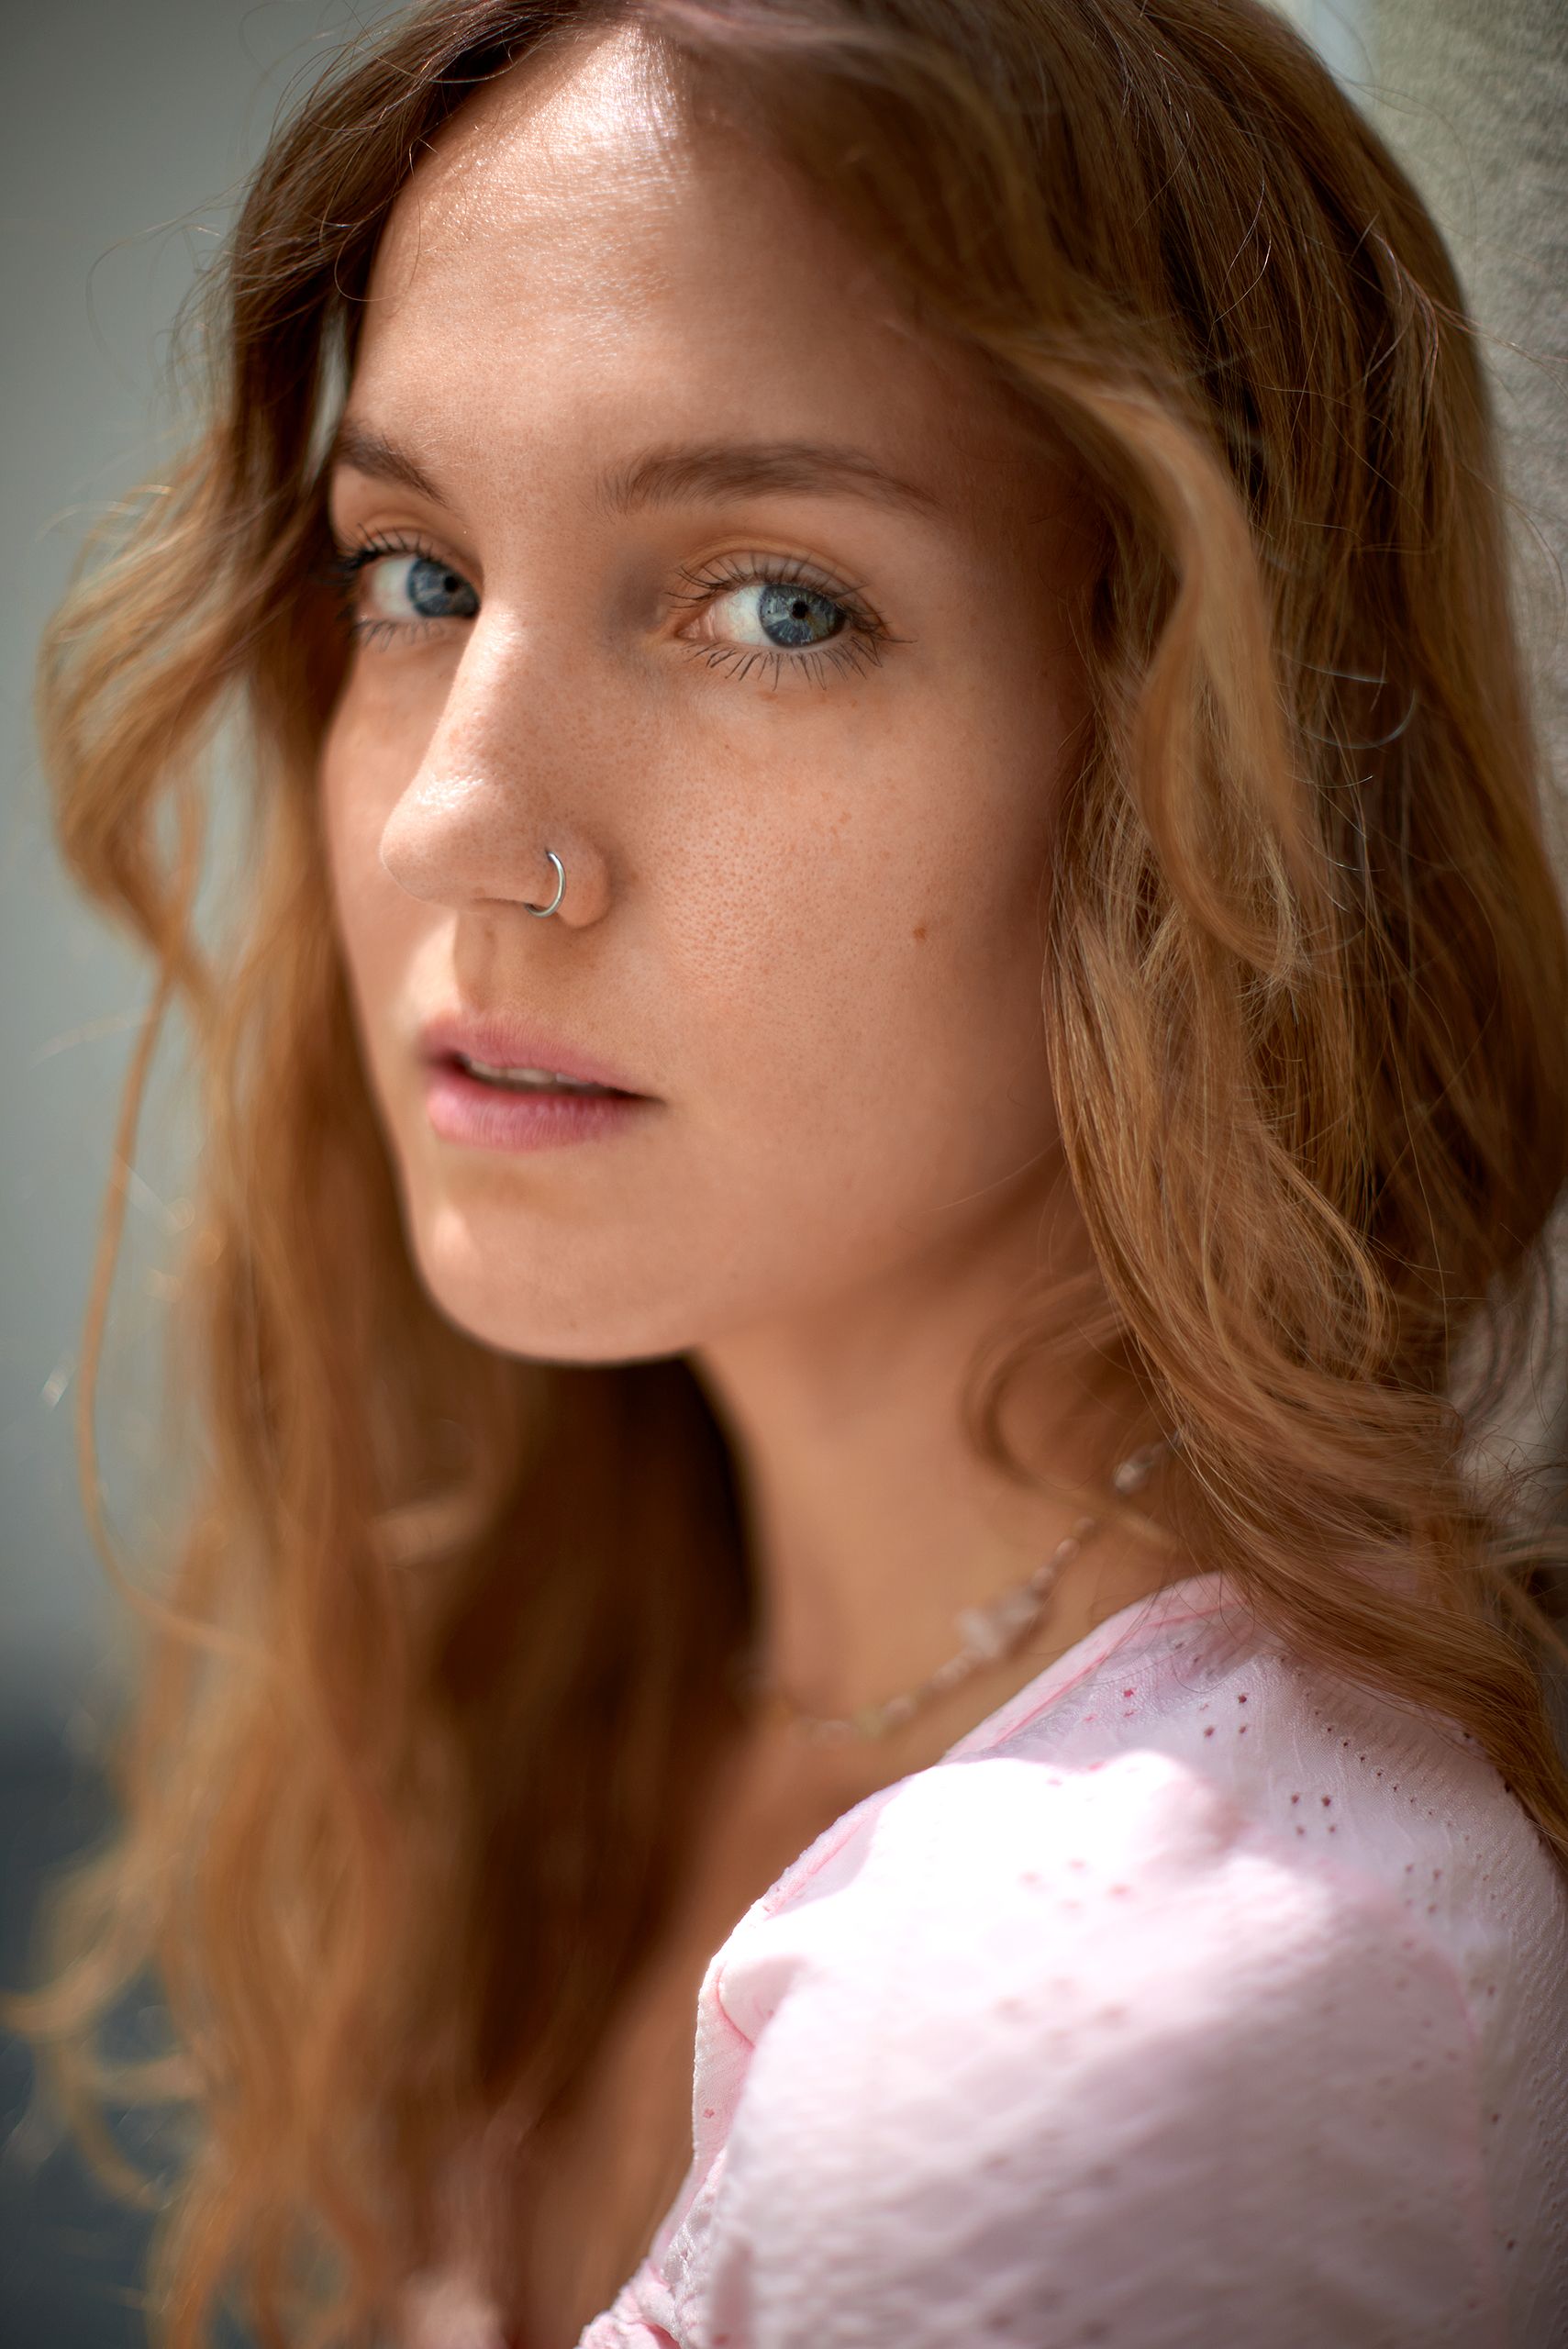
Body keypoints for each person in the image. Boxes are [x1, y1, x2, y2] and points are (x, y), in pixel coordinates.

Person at [7, 0, 1568, 2342]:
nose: (452, 820)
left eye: (776, 605)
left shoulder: (1107, 2035)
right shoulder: (585, 1636)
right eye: (416, 573)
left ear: (1201, 762)